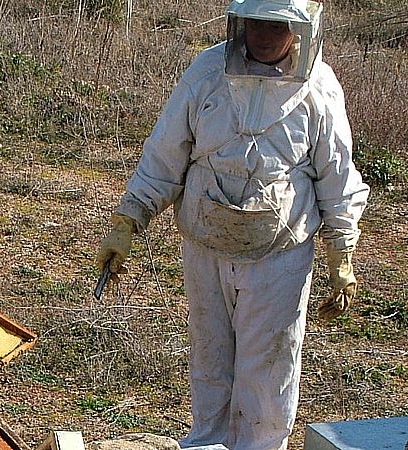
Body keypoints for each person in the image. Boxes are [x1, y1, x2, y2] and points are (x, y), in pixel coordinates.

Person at [95, 1, 369, 449]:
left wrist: (342, 253)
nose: (263, 35)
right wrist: (128, 219)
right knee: (211, 357)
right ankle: (208, 443)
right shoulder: (207, 72)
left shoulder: (319, 88)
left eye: (276, 25)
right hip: (206, 243)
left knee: (268, 369)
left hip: (278, 254)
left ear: (299, 30)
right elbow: (166, 152)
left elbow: (337, 175)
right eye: (256, 23)